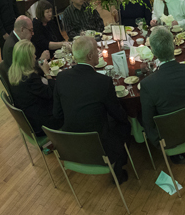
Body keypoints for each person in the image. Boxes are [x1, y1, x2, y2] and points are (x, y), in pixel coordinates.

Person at [53, 36, 131, 183]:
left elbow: (57, 114)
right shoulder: (102, 82)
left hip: (71, 145)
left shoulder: (61, 78)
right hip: (99, 146)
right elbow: (118, 114)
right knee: (125, 124)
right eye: (96, 50)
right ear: (90, 56)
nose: (99, 52)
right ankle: (118, 171)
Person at [141, 27, 185, 163]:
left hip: (170, 139)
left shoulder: (148, 84)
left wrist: (157, 142)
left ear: (152, 51)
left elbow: (148, 123)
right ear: (174, 45)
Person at [8, 40, 62, 135]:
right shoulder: (29, 78)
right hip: (42, 124)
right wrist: (47, 73)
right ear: (27, 59)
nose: (35, 56)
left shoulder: (14, 71)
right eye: (33, 55)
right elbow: (51, 93)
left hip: (29, 117)